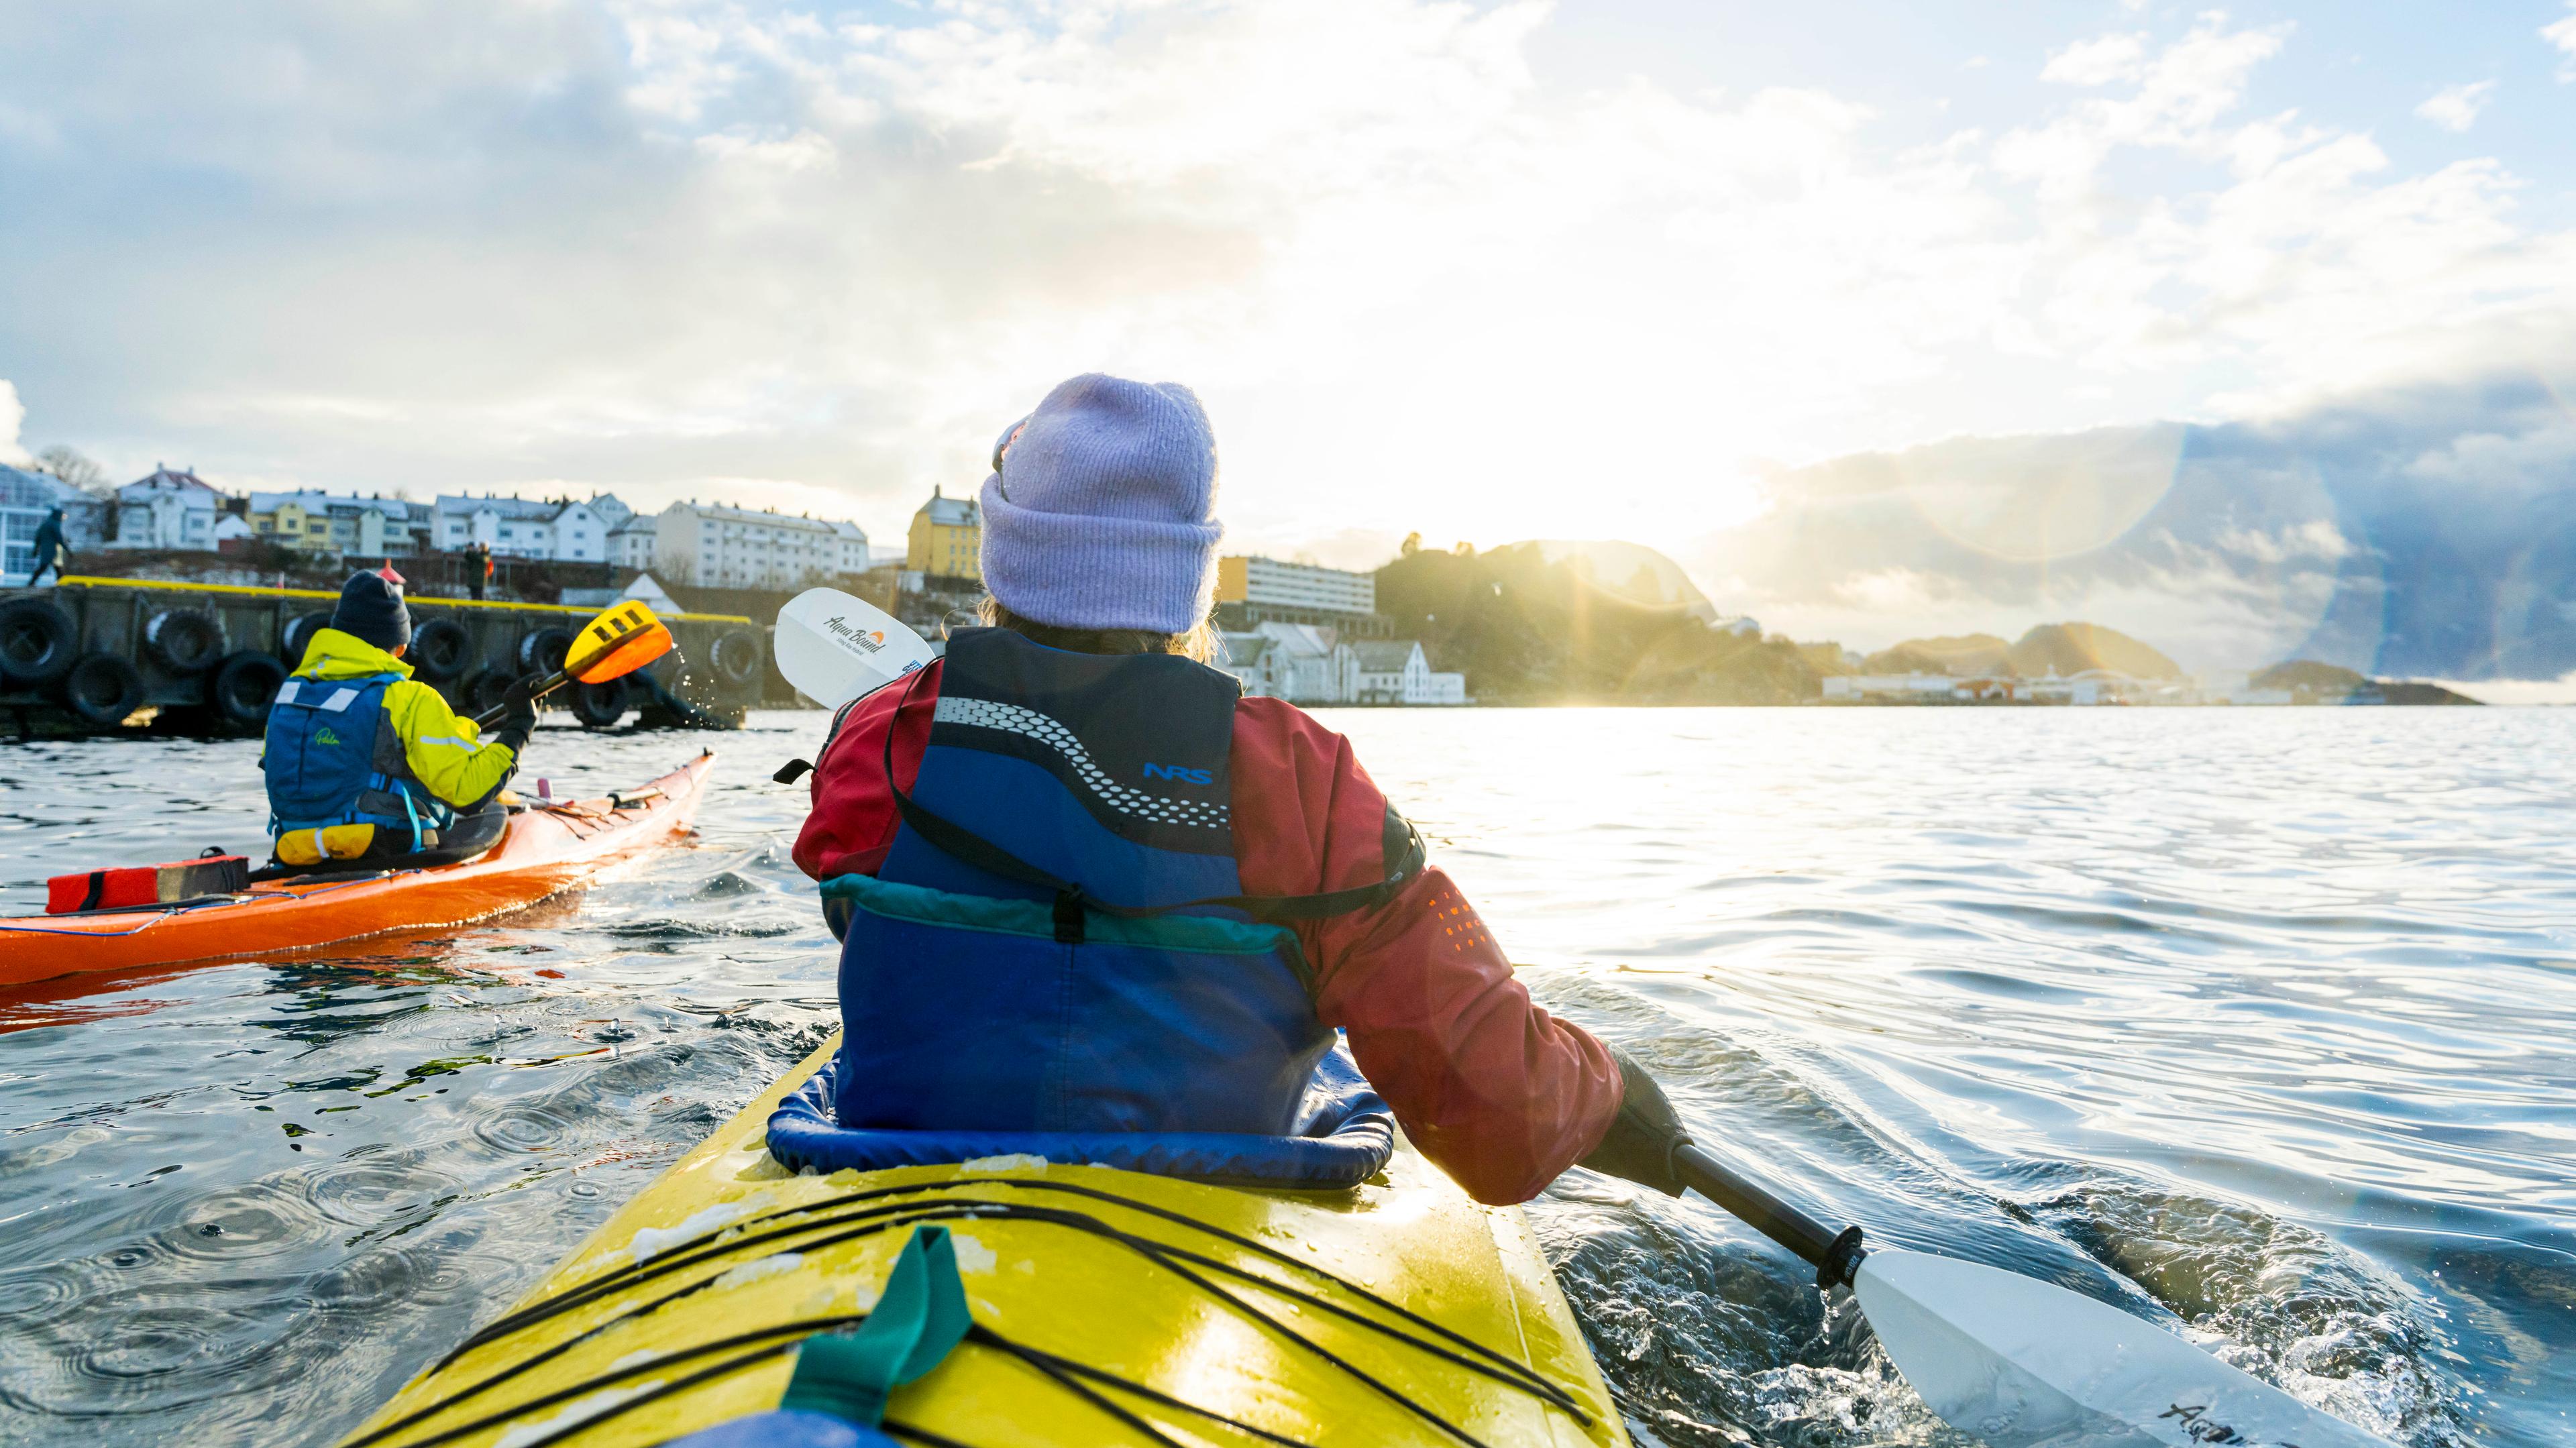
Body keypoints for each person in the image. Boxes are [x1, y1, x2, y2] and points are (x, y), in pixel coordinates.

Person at [792, 374, 1689, 1207]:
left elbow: (860, 920)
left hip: (907, 1188)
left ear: (1005, 558)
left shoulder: (875, 742)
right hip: (1208, 1219)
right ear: (1188, 583)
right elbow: (1502, 1118)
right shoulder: (1306, 781)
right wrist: (1606, 1087)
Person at [262, 569, 539, 866]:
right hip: (380, 852)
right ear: (402, 646)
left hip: (294, 850)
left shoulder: (290, 694)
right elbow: (469, 793)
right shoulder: (408, 698)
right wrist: (519, 725)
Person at [25, 506, 66, 585]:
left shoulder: (46, 524)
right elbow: (59, 538)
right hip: (51, 551)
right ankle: (62, 584)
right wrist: (67, 549)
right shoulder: (54, 524)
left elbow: (38, 538)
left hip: (46, 550)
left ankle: (32, 582)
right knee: (52, 568)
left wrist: (36, 549)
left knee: (51, 568)